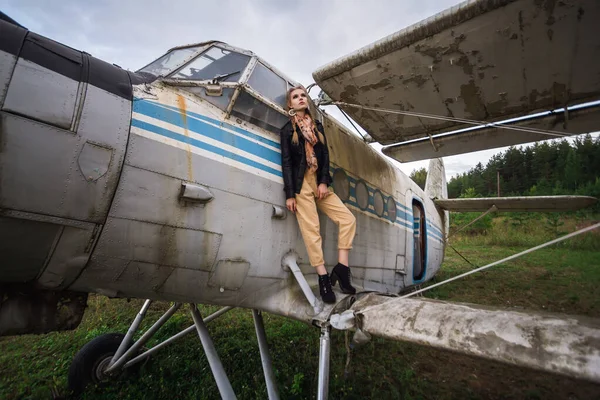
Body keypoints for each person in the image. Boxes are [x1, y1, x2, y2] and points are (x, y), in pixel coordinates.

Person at [279, 85, 357, 304]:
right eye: (296, 96)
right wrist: (290, 195)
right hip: (300, 185)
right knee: (312, 231)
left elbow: (325, 157)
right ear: (290, 104)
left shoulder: (318, 126)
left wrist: (323, 181)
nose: (301, 98)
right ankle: (323, 278)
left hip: (318, 182)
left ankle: (342, 268)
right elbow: (286, 163)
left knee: (347, 219)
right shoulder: (287, 130)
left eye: (303, 95)